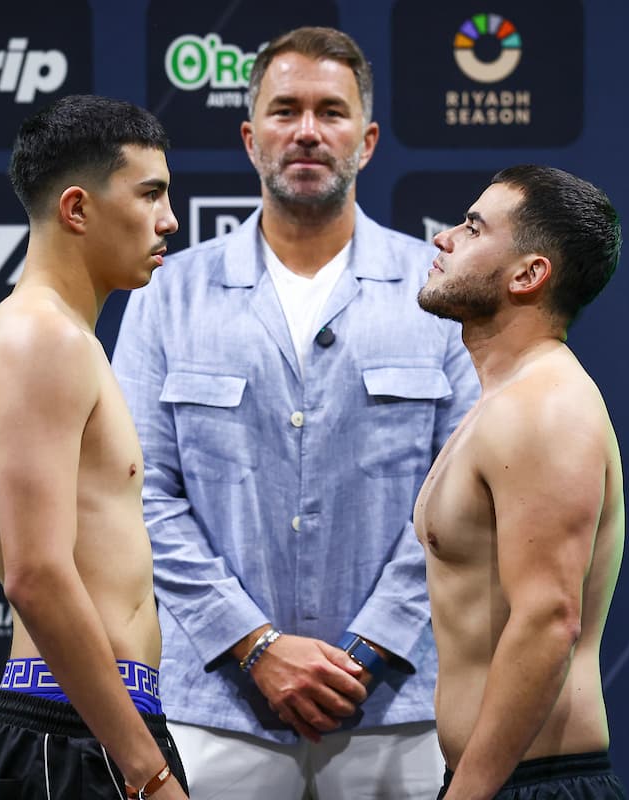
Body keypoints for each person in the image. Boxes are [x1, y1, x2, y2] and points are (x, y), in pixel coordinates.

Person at [112, 26, 478, 799]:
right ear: (250, 138)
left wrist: (366, 651)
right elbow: (138, 495)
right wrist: (255, 646)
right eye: (285, 110)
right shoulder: (167, 295)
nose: (307, 131)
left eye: (330, 112)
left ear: (368, 140)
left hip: (396, 709)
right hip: (216, 707)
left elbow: (464, 510)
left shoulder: (440, 294)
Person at [0, 94, 188, 799]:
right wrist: (146, 773)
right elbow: (36, 575)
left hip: (95, 727)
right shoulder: (43, 339)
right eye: (150, 194)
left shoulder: (63, 338)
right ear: (78, 209)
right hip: (72, 739)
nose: (169, 220)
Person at [414, 165, 626, 800]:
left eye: (473, 227)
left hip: (533, 784)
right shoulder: (504, 398)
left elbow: (548, 619)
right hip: (502, 781)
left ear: (529, 275)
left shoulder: (544, 407)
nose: (443, 238)